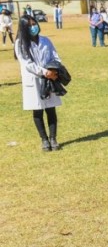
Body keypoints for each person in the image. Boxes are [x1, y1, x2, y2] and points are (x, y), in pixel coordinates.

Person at [15, 15, 66, 151]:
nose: (33, 27)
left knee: (51, 109)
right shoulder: (20, 43)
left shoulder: (46, 40)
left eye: (34, 24)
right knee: (37, 111)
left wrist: (53, 70)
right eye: (30, 25)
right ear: (24, 28)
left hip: (49, 78)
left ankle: (53, 138)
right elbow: (27, 64)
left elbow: (55, 56)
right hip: (34, 80)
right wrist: (44, 72)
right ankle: (44, 139)